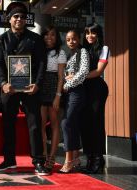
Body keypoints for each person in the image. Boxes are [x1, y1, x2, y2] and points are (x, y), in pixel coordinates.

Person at [0, 2, 50, 175]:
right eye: (16, 16)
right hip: (8, 90)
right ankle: (9, 160)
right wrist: (3, 83)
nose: (19, 19)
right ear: (9, 19)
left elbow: (42, 63)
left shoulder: (36, 39)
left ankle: (38, 161)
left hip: (30, 88)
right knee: (8, 125)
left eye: (22, 17)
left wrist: (37, 84)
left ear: (26, 20)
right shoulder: (2, 40)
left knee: (34, 125)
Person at [80, 23, 110, 174]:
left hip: (97, 89)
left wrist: (78, 77)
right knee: (85, 123)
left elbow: (98, 71)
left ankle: (98, 158)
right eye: (87, 33)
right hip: (84, 89)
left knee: (96, 122)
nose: (89, 36)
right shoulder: (83, 49)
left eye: (93, 33)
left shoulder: (104, 49)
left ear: (98, 34)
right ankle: (90, 157)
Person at [59, 29, 89, 173]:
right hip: (69, 94)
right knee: (73, 124)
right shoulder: (68, 54)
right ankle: (76, 157)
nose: (71, 41)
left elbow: (83, 73)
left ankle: (68, 160)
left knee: (66, 123)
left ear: (79, 38)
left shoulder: (83, 52)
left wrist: (67, 84)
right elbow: (66, 75)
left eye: (74, 38)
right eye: (68, 39)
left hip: (77, 93)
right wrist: (67, 79)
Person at [40, 25, 67, 170]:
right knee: (41, 124)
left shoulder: (60, 53)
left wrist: (58, 96)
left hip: (53, 88)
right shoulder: (39, 50)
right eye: (46, 34)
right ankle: (43, 154)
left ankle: (52, 156)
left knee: (54, 124)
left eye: (52, 35)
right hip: (40, 87)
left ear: (56, 38)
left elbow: (61, 76)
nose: (48, 37)